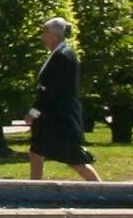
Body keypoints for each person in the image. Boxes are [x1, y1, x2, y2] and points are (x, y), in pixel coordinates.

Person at [28, 16, 102, 182]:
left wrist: (34, 111)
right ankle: (34, 189)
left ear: (55, 36)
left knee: (74, 158)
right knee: (36, 151)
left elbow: (51, 89)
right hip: (52, 116)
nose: (42, 37)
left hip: (61, 117)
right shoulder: (58, 54)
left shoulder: (63, 56)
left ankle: (100, 188)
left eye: (45, 33)